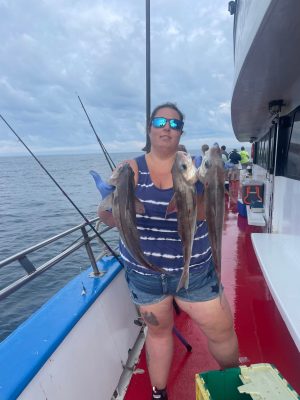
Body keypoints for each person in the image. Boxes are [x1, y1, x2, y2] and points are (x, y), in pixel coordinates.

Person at [99, 103, 239, 400]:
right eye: (160, 121)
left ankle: (238, 380)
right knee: (158, 333)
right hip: (146, 274)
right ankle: (159, 393)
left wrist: (208, 186)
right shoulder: (130, 169)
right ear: (149, 128)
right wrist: (113, 200)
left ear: (181, 132)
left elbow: (203, 215)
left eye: (174, 124)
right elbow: (108, 218)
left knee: (221, 331)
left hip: (196, 272)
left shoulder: (194, 166)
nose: (167, 127)